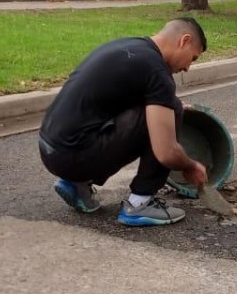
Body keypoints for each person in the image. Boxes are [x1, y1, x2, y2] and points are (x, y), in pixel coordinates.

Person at [38, 18, 209, 226]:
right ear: (184, 40)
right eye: (193, 58)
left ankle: (76, 185)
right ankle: (140, 203)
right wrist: (190, 165)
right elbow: (166, 153)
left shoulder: (131, 47)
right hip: (74, 157)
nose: (188, 68)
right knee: (173, 110)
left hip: (50, 149)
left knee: (170, 105)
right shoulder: (158, 73)